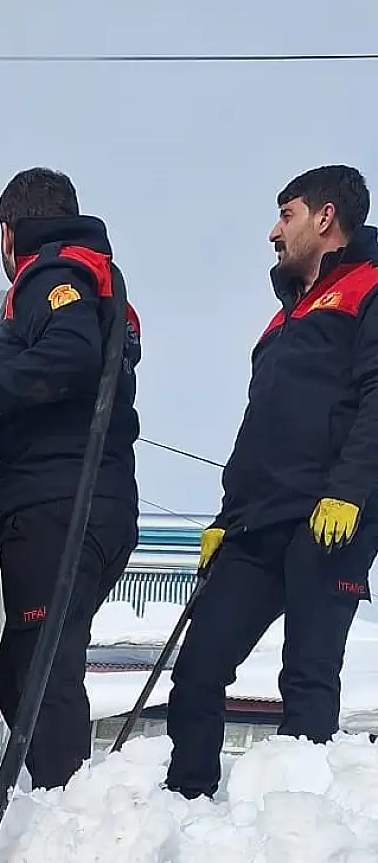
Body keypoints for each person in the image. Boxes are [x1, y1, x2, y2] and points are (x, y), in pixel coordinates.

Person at [165, 164, 378, 799]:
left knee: (308, 675)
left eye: (285, 215)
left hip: (330, 514)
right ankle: (185, 807)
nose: (272, 232)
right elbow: (259, 429)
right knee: (198, 670)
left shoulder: (369, 288)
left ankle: (298, 828)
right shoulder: (283, 320)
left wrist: (350, 489)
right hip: (257, 521)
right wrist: (225, 519)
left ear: (325, 217)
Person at [0, 167, 143, 790]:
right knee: (26, 669)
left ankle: (65, 812)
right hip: (87, 506)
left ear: (10, 232)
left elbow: (69, 357)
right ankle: (64, 804)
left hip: (58, 504)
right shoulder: (89, 278)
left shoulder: (53, 274)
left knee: (38, 669)